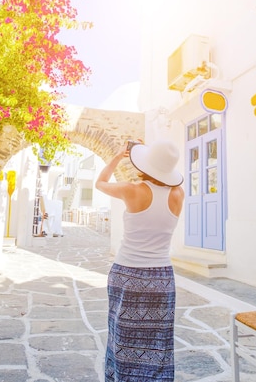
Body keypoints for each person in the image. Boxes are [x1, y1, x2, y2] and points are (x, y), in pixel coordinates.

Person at [95, 139, 185, 381]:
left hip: (127, 274)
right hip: (162, 278)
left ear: (145, 165)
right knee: (158, 341)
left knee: (122, 337)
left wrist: (117, 156)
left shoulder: (132, 190)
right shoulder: (178, 194)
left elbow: (100, 183)